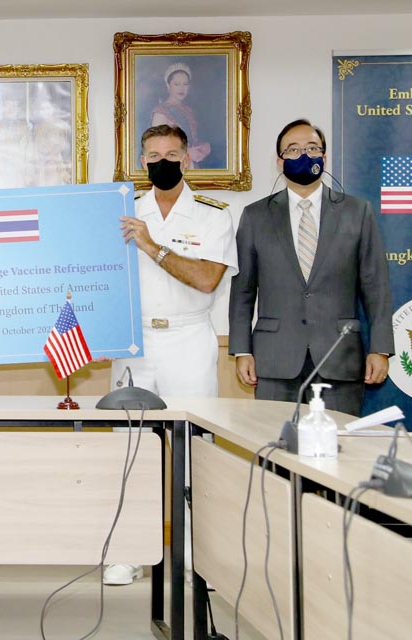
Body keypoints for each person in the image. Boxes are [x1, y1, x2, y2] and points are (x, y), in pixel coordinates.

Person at [106, 124, 238, 585]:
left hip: (189, 339)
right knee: (129, 446)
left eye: (172, 154)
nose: (162, 161)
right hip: (133, 342)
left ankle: (196, 554)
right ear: (142, 161)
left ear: (188, 159)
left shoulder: (212, 215)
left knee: (194, 447)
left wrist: (152, 246)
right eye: (153, 155)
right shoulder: (123, 211)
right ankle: (127, 552)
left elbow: (206, 280)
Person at [228, 119, 394, 416]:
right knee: (276, 441)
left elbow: (376, 287)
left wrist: (380, 349)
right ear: (280, 162)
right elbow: (243, 291)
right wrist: (242, 350)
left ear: (324, 158)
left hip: (339, 357)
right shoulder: (255, 216)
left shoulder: (357, 212)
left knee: (337, 443)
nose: (303, 155)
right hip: (274, 360)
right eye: (293, 149)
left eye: (312, 148)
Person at [151, 63, 211, 167]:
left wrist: (201, 147)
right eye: (177, 84)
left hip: (191, 165)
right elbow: (156, 146)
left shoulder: (188, 110)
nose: (181, 88)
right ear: (168, 85)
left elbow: (188, 141)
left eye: (185, 84)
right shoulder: (161, 112)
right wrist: (187, 152)